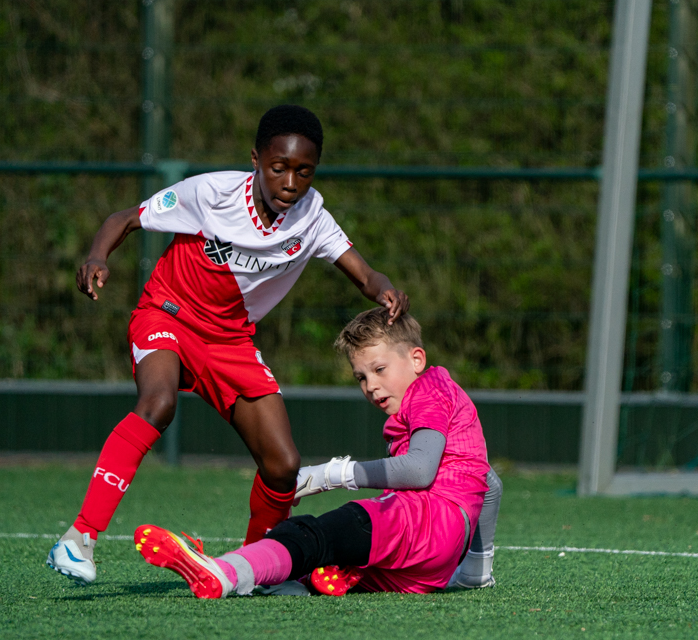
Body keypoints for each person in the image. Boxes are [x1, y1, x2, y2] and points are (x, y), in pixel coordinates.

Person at [48, 105, 409, 586]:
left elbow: (365, 273)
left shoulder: (313, 217)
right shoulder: (210, 192)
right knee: (157, 403)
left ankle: (253, 566)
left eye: (304, 171)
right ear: (256, 159)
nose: (290, 182)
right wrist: (97, 256)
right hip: (168, 315)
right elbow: (125, 219)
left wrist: (385, 289)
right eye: (279, 167)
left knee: (283, 466)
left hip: (231, 341)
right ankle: (79, 539)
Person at [133, 308, 501, 597]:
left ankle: (224, 572)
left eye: (380, 369)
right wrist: (474, 572)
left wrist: (331, 474)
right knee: (325, 554)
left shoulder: (430, 389)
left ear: (417, 360)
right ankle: (294, 582)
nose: (371, 386)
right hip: (428, 570)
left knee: (318, 533)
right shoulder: (436, 398)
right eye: (361, 377)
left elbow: (420, 470)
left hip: (424, 525)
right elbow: (491, 483)